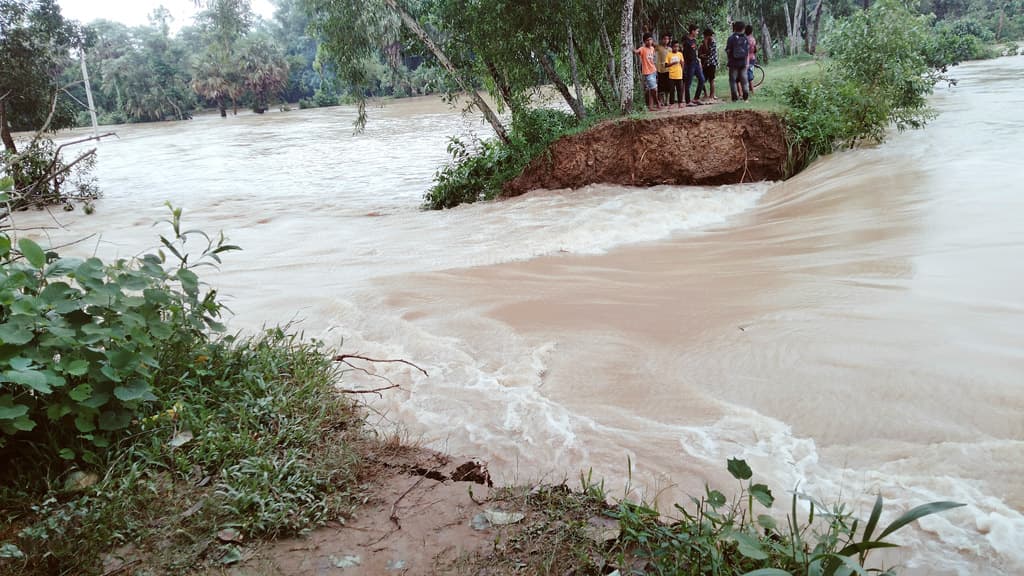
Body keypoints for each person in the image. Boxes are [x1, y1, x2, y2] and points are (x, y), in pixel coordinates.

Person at [634, 33, 661, 111]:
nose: (649, 41)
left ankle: (651, 106)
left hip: (653, 70)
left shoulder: (652, 48)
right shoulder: (642, 49)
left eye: (650, 40)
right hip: (647, 72)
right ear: (644, 42)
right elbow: (636, 52)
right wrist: (632, 49)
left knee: (651, 89)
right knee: (653, 89)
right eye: (647, 40)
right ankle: (657, 102)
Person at [725, 21, 750, 102]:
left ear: (734, 28)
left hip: (733, 63)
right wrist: (746, 62)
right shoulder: (745, 38)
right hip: (743, 62)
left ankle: (735, 98)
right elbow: (747, 52)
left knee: (733, 80)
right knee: (744, 80)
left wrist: (729, 60)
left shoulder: (731, 38)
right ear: (743, 29)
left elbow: (728, 50)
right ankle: (745, 97)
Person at [682, 24, 705, 106]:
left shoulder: (694, 40)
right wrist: (685, 65)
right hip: (689, 63)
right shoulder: (686, 41)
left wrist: (698, 61)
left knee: (702, 79)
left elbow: (695, 52)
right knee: (688, 82)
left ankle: (696, 98)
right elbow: (684, 53)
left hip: (695, 62)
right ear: (692, 31)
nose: (698, 33)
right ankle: (688, 101)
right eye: (697, 31)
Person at [697, 28, 718, 101]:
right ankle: (705, 94)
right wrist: (702, 55)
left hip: (711, 63)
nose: (711, 37)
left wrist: (704, 55)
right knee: (702, 79)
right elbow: (699, 54)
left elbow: (709, 53)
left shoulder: (713, 42)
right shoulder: (702, 43)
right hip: (704, 64)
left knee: (711, 80)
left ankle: (712, 95)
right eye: (709, 35)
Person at [664, 40, 684, 108]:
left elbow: (682, 63)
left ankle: (680, 103)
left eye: (677, 47)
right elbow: (666, 65)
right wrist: (673, 63)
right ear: (672, 47)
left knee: (680, 89)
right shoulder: (669, 54)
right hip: (671, 75)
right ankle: (671, 103)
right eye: (675, 47)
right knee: (672, 90)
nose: (676, 48)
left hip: (679, 74)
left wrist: (682, 71)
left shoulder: (680, 54)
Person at [656, 33, 672, 106]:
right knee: (661, 86)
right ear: (662, 40)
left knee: (668, 85)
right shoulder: (658, 47)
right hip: (660, 69)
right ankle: (661, 100)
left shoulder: (670, 49)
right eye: (664, 39)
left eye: (667, 39)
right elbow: (652, 43)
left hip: (668, 69)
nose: (666, 40)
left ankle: (667, 100)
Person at [745, 24, 757, 95]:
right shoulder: (753, 39)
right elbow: (755, 49)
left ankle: (751, 91)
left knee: (747, 75)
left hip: (746, 59)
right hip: (752, 58)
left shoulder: (745, 39)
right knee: (750, 73)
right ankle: (751, 90)